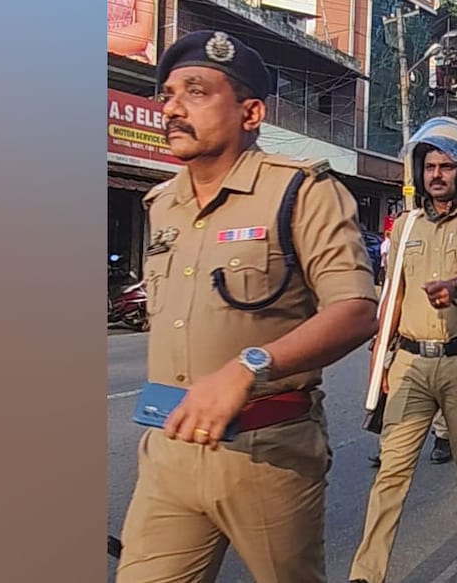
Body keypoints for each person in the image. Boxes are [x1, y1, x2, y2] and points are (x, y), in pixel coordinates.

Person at [114, 31, 379, 583]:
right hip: (168, 449)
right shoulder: (160, 204)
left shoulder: (301, 192)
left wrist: (246, 367)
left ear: (250, 112)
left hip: (267, 451)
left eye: (196, 92)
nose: (172, 109)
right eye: (167, 95)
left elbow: (356, 309)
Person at [349, 117, 457, 583]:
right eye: (430, 166)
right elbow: (393, 290)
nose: (436, 174)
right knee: (391, 473)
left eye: (446, 166)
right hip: (411, 365)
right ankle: (367, 573)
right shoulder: (405, 225)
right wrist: (382, 345)